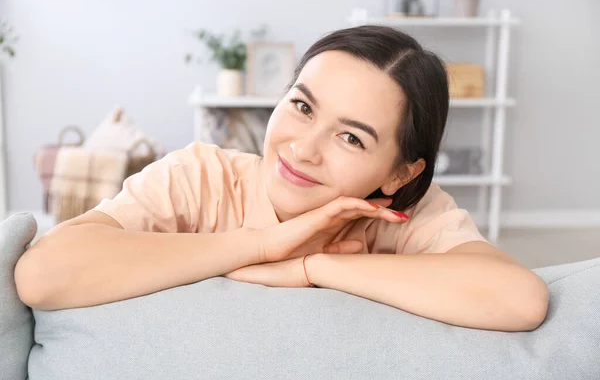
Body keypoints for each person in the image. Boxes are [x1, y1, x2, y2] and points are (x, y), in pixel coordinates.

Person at [15, 25, 548, 332]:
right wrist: (263, 245)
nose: (302, 148)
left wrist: (313, 270)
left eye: (352, 138)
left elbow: (519, 299)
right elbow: (43, 275)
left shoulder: (407, 215)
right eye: (301, 105)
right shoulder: (202, 175)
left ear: (399, 173)